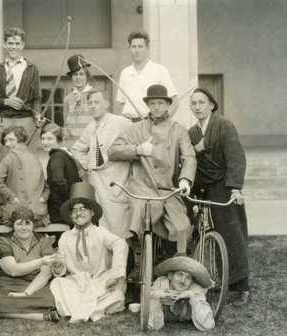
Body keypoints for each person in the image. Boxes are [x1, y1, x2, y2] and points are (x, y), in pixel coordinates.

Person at [108, 84, 196, 279]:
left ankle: (176, 268)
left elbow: (189, 157)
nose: (156, 107)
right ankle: (140, 262)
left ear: (167, 105)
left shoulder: (178, 129)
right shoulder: (137, 129)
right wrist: (138, 149)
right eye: (152, 103)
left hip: (168, 189)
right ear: (148, 105)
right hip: (142, 187)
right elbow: (112, 151)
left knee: (181, 226)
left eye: (160, 103)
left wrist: (185, 180)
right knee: (140, 217)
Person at [188, 88, 250, 304]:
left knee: (232, 234)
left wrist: (235, 188)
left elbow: (235, 157)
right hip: (202, 187)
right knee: (205, 234)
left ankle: (242, 287)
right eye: (193, 103)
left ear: (211, 105)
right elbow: (189, 163)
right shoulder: (191, 132)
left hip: (224, 187)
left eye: (201, 102)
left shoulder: (223, 125)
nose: (197, 107)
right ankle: (210, 280)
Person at [50, 182, 129, 323]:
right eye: (74, 210)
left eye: (83, 209)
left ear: (92, 212)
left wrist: (116, 275)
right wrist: (58, 266)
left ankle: (83, 307)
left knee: (117, 295)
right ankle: (92, 308)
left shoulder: (100, 232)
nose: (78, 213)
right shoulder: (65, 237)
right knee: (57, 283)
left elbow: (120, 244)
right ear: (70, 215)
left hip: (100, 281)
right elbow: (61, 265)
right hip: (76, 284)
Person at [71, 88, 132, 238]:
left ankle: (124, 259)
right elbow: (77, 149)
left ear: (106, 104)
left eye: (96, 102)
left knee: (118, 227)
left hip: (116, 181)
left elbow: (139, 136)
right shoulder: (91, 127)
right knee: (100, 225)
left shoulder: (121, 122)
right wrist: (89, 165)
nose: (92, 106)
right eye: (90, 103)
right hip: (97, 184)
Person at [0, 27, 45, 164]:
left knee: (27, 163)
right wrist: (6, 102)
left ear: (22, 45)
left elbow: (36, 99)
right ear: (4, 44)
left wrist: (37, 116)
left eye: (17, 44)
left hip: (26, 122)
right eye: (10, 43)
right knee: (4, 163)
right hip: (3, 122)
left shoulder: (32, 69)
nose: (13, 47)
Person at [0, 206, 59, 321]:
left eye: (28, 223)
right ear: (13, 225)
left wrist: (27, 293)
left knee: (50, 299)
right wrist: (40, 261)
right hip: (7, 283)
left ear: (33, 225)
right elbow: (12, 270)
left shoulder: (43, 240)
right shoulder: (4, 240)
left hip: (34, 283)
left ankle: (0, 312)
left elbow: (45, 274)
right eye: (19, 224)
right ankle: (42, 316)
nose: (24, 228)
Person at [0, 126, 50, 227]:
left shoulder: (14, 158)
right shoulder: (33, 157)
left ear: (21, 139)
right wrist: (12, 197)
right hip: (28, 215)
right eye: (5, 141)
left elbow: (45, 186)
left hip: (29, 215)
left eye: (11, 140)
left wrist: (43, 198)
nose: (7, 144)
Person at [116, 31, 178, 120]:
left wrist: (162, 122)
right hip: (128, 124)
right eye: (134, 47)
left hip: (150, 123)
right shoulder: (125, 73)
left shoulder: (159, 70)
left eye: (140, 46)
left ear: (148, 48)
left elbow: (175, 102)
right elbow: (122, 103)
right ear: (129, 48)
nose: (136, 50)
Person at [149, 256, 215, 331]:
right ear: (170, 275)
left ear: (192, 281)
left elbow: (208, 325)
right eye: (179, 274)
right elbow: (153, 326)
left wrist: (191, 296)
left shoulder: (195, 289)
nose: (183, 281)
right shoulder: (160, 284)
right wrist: (156, 296)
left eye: (188, 277)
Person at [41, 123, 81, 224]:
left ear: (59, 140)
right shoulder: (65, 154)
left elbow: (58, 181)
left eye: (50, 139)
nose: (45, 142)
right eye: (43, 138)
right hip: (68, 209)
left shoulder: (57, 157)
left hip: (60, 211)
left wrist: (69, 200)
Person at [62, 54, 94, 127]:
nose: (78, 77)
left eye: (81, 74)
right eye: (75, 74)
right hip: (73, 138)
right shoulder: (67, 99)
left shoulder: (95, 94)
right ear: (71, 77)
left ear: (87, 75)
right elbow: (66, 123)